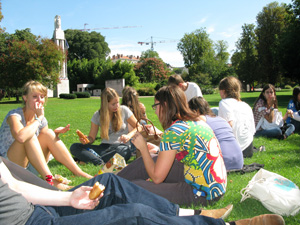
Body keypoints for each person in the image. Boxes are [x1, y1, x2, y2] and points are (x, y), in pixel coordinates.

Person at [0, 158, 285, 225]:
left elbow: (13, 185)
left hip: (39, 207)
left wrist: (66, 196)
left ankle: (192, 213)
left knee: (110, 181)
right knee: (132, 215)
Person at [118, 85, 227, 206]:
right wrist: (159, 151)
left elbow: (157, 178)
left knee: (132, 187)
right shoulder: (196, 122)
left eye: (156, 106)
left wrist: (143, 148)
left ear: (164, 106)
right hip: (214, 187)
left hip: (203, 193)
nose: (155, 111)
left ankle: (110, 186)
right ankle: (112, 181)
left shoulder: (173, 132)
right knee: (152, 160)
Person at [0, 81, 92, 190]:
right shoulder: (14, 115)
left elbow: (43, 144)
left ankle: (79, 173)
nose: (39, 100)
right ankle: (50, 180)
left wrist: (55, 134)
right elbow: (21, 137)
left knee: (48, 133)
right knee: (29, 136)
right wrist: (39, 118)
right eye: (35, 96)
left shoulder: (41, 120)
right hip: (10, 167)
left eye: (42, 97)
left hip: (31, 166)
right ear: (25, 98)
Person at [70, 87, 140, 165]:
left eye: (117, 102)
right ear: (105, 104)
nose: (117, 105)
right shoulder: (97, 115)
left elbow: (139, 127)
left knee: (125, 151)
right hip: (103, 148)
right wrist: (86, 140)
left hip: (120, 146)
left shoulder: (124, 110)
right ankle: (100, 162)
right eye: (113, 104)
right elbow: (92, 138)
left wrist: (129, 136)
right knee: (74, 147)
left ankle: (91, 160)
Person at [188, 97, 243, 171]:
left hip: (222, 163)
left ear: (196, 111)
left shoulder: (200, 119)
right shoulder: (221, 119)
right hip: (238, 161)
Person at [218, 77, 256, 158]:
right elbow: (252, 129)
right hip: (248, 149)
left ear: (223, 91)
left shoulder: (224, 103)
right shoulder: (246, 105)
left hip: (234, 150)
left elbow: (229, 124)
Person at [121, 86, 161, 154]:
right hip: (132, 142)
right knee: (143, 123)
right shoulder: (125, 110)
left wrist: (143, 113)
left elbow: (145, 122)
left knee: (143, 123)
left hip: (131, 139)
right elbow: (141, 124)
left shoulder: (135, 107)